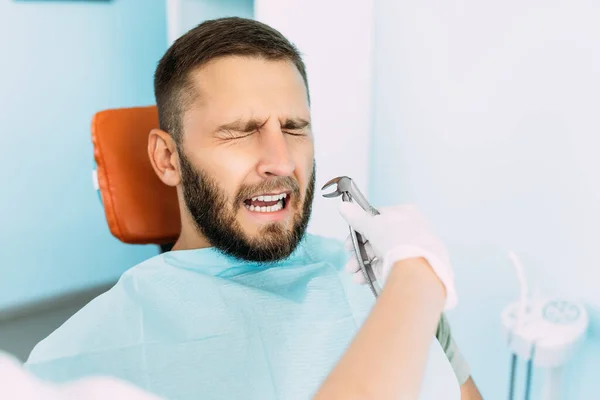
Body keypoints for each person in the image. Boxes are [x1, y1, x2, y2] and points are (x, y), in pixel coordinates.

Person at [24, 17, 482, 399]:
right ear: (168, 159)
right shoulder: (77, 360)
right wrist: (419, 283)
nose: (280, 161)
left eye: (295, 127)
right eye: (240, 130)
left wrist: (412, 283)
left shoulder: (382, 277)